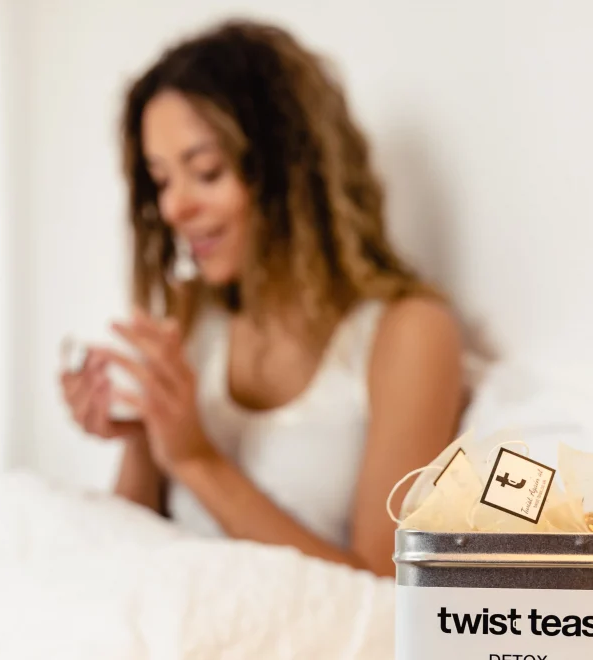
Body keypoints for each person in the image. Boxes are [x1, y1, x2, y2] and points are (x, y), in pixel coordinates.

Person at [60, 20, 463, 577]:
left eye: (206, 172)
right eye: (161, 180)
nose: (175, 208)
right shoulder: (189, 313)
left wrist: (196, 458)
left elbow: (382, 585)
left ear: (292, 172)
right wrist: (143, 434)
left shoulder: (409, 334)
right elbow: (128, 545)